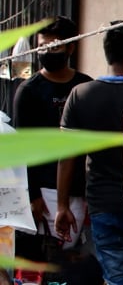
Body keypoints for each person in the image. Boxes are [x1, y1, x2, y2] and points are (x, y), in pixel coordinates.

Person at [55, 21, 123, 285]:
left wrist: (62, 206)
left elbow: (67, 157)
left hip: (103, 206)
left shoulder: (81, 95)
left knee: (117, 279)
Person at [12, 16, 93, 263]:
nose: (47, 52)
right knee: (45, 256)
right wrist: (32, 195)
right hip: (44, 190)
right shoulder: (29, 91)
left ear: (70, 47)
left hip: (79, 189)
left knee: (72, 256)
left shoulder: (85, 86)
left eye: (54, 46)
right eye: (43, 47)